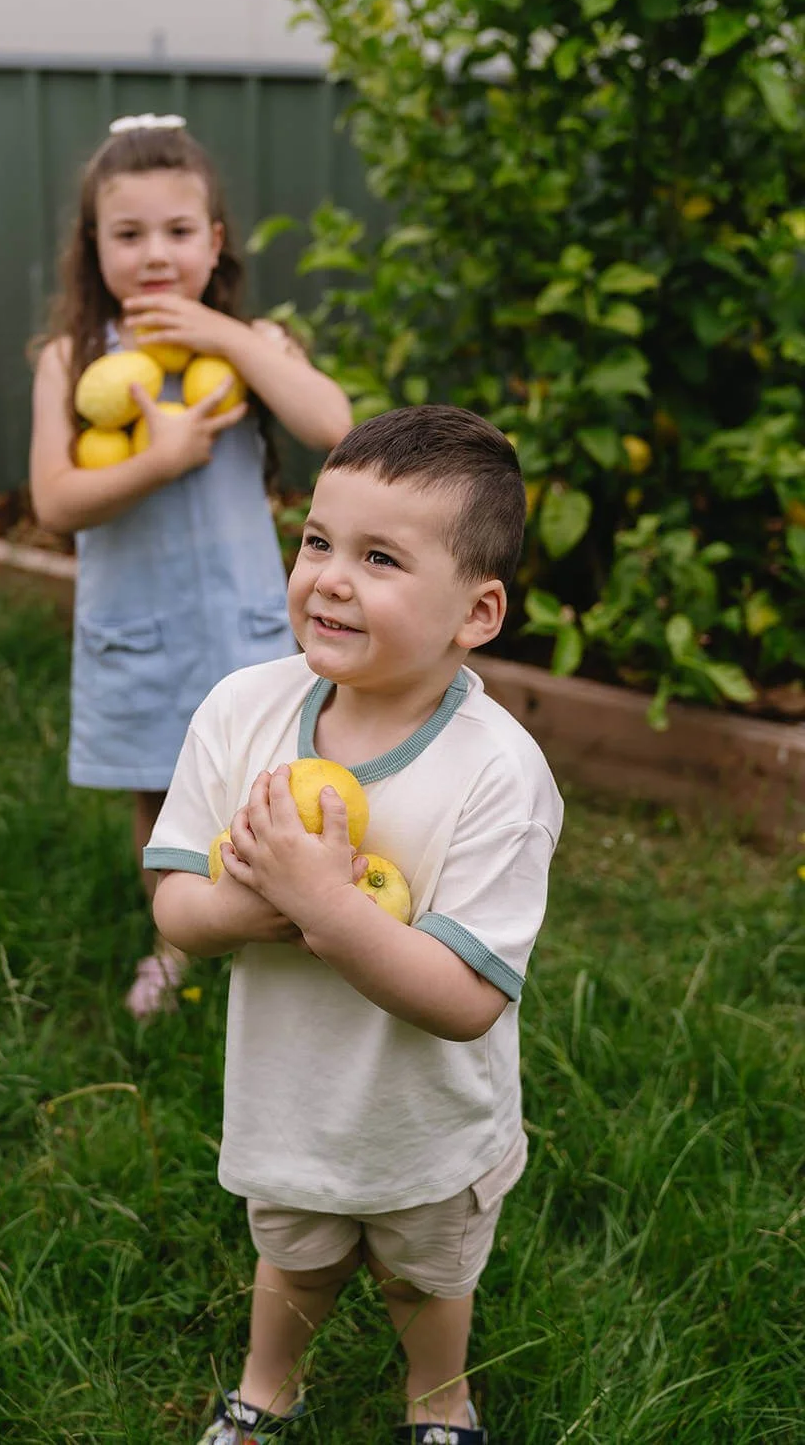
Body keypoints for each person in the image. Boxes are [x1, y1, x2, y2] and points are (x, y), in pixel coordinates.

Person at [145, 404, 564, 1445]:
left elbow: (465, 1001)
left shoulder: (497, 774)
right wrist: (261, 900)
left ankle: (438, 1401)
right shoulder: (241, 712)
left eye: (379, 558)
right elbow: (176, 909)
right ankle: (265, 1390)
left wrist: (325, 906)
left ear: (477, 612)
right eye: (317, 540)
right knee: (291, 1254)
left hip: (425, 1119)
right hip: (291, 1103)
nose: (328, 576)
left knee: (425, 1277)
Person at [29, 112, 352, 1017]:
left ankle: (296, 921)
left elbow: (335, 427)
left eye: (179, 232)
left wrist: (231, 337)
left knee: (275, 778)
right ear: (93, 247)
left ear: (214, 243)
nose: (155, 254)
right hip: (140, 628)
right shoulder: (72, 360)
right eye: (128, 234)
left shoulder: (251, 348)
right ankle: (176, 942)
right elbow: (53, 501)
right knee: (163, 788)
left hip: (242, 622)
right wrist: (160, 460)